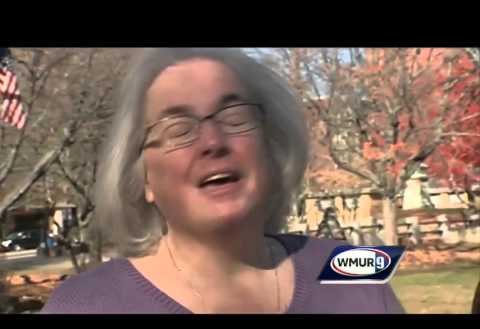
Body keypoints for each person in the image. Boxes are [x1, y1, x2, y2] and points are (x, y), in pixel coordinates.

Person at [41, 48, 404, 314]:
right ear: (144, 178)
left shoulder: (353, 270)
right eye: (178, 129)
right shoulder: (85, 305)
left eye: (234, 117)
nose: (213, 142)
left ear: (270, 147)